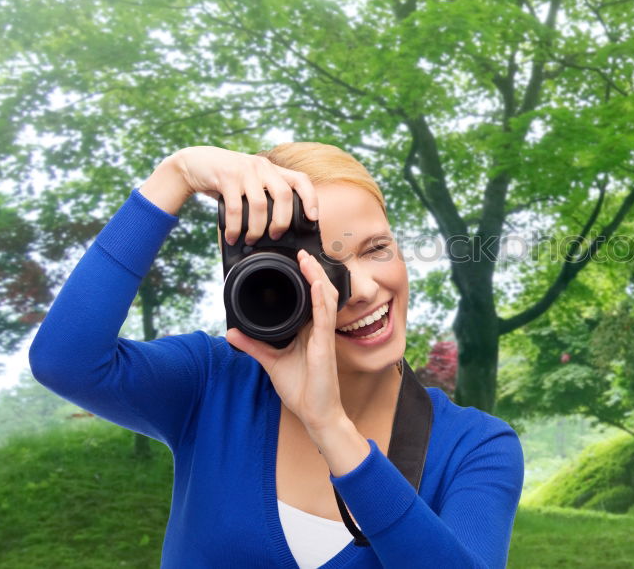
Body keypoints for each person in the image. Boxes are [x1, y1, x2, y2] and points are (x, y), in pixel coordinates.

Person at [28, 143, 524, 568]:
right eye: (323, 269)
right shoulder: (215, 383)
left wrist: (330, 427)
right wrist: (175, 174)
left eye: (375, 249)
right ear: (272, 286)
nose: (363, 288)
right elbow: (65, 360)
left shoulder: (476, 448)